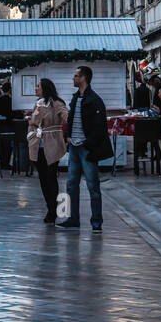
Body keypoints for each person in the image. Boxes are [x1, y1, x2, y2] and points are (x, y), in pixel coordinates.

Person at [58, 65, 108, 233]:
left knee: (93, 185)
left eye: (76, 76)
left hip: (86, 148)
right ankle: (72, 219)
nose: (73, 78)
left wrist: (88, 143)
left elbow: (100, 126)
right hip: (74, 146)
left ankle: (96, 221)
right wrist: (68, 137)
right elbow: (71, 119)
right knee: (71, 184)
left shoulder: (94, 100)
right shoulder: (76, 98)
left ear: (83, 78)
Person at [26, 78, 67, 223]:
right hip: (38, 145)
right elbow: (33, 123)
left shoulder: (57, 103)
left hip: (52, 144)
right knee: (43, 178)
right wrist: (30, 136)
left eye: (38, 86)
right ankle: (50, 208)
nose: (36, 89)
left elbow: (66, 117)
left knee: (51, 177)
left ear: (45, 88)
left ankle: (53, 209)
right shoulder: (38, 104)